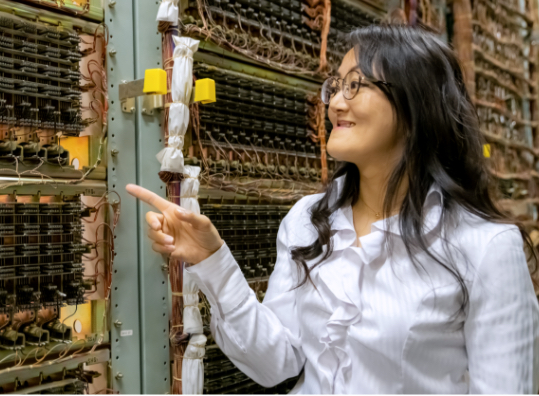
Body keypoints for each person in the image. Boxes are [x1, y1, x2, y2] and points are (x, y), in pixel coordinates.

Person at [126, 24, 539, 394]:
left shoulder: (485, 247)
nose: (336, 103)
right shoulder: (308, 220)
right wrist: (212, 262)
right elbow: (275, 364)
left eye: (356, 86)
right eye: (336, 86)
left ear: (416, 107)